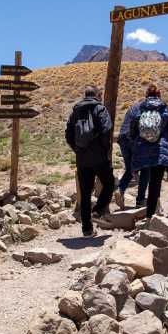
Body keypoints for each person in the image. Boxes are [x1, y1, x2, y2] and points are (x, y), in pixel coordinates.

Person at [65, 86, 115, 236]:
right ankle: (98, 211)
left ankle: (87, 230)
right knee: (109, 183)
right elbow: (107, 130)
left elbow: (68, 135)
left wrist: (78, 150)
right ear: (97, 95)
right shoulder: (100, 109)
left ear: (84, 95)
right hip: (99, 157)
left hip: (82, 159)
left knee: (85, 193)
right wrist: (104, 149)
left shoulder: (75, 111)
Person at [129, 85, 168, 220]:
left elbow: (132, 131)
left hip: (142, 149)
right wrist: (166, 139)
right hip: (160, 150)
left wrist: (140, 141)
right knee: (156, 182)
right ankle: (152, 215)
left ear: (146, 95)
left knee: (146, 177)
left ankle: (144, 206)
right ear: (159, 95)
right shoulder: (164, 108)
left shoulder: (139, 108)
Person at [116, 101, 142, 208]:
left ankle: (120, 189)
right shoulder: (147, 108)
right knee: (145, 168)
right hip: (133, 138)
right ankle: (142, 200)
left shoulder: (132, 107)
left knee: (130, 170)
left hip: (122, 138)